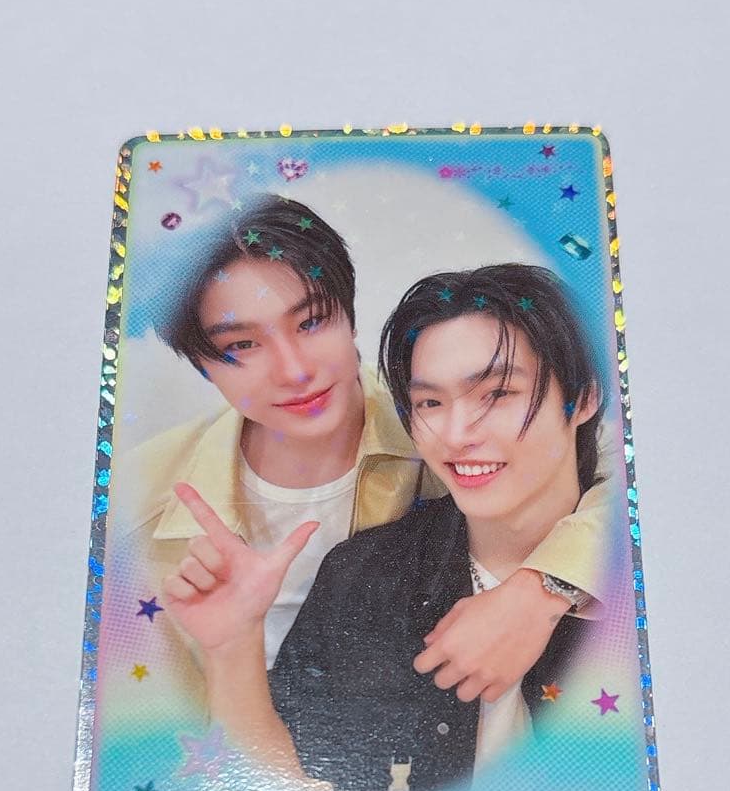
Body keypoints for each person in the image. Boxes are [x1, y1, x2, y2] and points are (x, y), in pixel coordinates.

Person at [108, 196, 612, 731]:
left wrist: (541, 589)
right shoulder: (136, 500)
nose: (294, 370)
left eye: (311, 322)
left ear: (349, 317)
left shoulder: (446, 434)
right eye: (243, 344)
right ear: (204, 366)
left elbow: (620, 484)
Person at [163, 263, 611, 791]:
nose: (455, 435)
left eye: (496, 394)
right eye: (429, 403)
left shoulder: (649, 569)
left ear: (584, 398)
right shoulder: (361, 576)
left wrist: (547, 587)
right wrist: (233, 645)